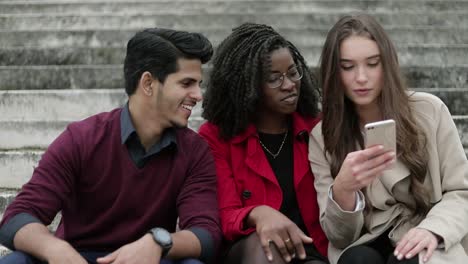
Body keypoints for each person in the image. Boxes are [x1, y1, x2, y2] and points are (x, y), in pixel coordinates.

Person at [0, 28, 221, 264]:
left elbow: (206, 234)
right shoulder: (82, 138)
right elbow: (17, 217)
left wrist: (159, 242)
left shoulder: (195, 150)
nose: (198, 95)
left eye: (199, 84)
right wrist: (56, 250)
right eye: (187, 83)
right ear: (148, 83)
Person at [308, 13, 468, 264]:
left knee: (410, 259)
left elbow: (461, 190)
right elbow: (339, 236)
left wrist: (433, 229)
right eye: (348, 66)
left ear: (387, 64)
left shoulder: (429, 111)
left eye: (372, 63)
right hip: (364, 240)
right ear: (334, 72)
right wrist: (343, 190)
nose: (361, 77)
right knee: (357, 260)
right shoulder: (322, 136)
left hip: (425, 231)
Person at [199, 23, 329, 264]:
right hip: (250, 250)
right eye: (274, 78)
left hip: (308, 249)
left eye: (292, 72)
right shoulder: (216, 137)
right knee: (265, 249)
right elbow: (224, 216)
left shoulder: (315, 128)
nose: (289, 84)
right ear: (247, 86)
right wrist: (258, 214)